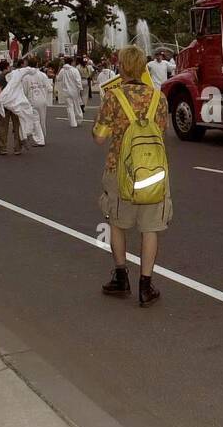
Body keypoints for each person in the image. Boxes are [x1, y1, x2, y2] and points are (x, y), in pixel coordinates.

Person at [92, 45, 170, 307]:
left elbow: (99, 138)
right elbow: (162, 132)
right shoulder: (159, 97)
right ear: (144, 68)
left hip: (119, 170)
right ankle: (146, 286)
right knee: (150, 229)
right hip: (152, 172)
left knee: (117, 223)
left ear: (122, 67)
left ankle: (121, 276)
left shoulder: (113, 97)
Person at [0, 60, 42, 153]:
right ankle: (17, 148)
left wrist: (3, 98)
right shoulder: (14, 75)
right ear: (7, 67)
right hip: (16, 104)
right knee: (17, 125)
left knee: (3, 126)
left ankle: (3, 148)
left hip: (5, 104)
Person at [57, 57, 83, 127]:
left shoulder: (62, 70)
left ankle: (73, 123)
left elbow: (58, 78)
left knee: (69, 107)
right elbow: (78, 81)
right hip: (74, 91)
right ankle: (79, 119)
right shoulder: (74, 70)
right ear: (71, 62)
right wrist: (80, 89)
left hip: (66, 91)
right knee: (77, 105)